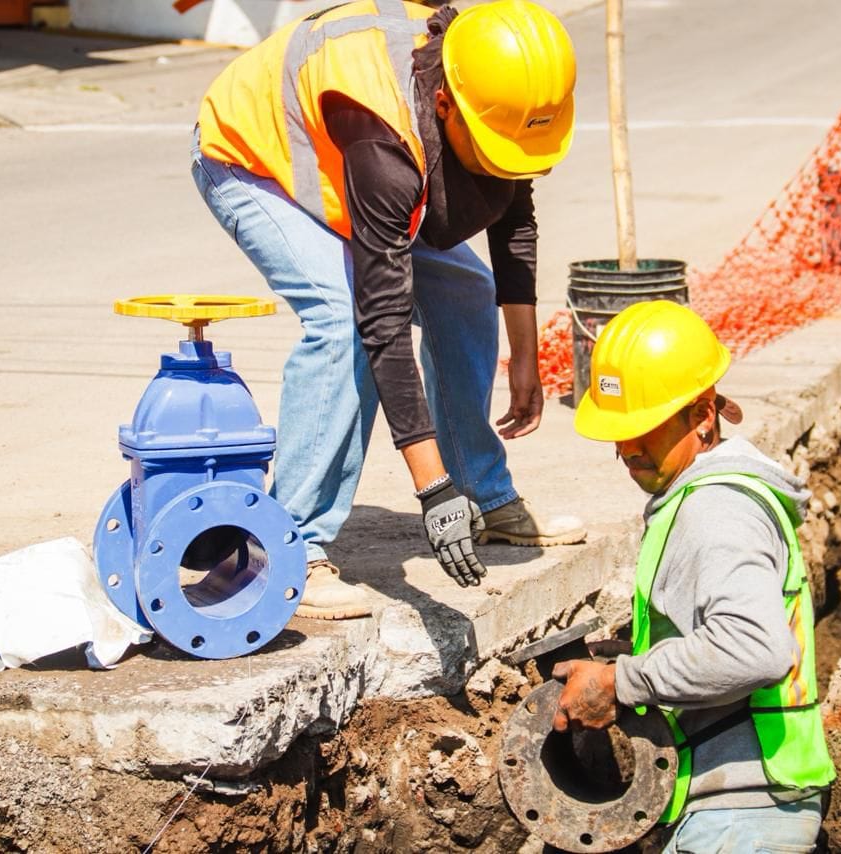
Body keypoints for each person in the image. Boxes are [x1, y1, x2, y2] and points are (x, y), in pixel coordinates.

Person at [191, 0, 586, 620]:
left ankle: (485, 494)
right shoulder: (383, 132)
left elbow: (515, 224)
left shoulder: (500, 87)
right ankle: (288, 549)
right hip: (253, 159)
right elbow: (383, 322)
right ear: (446, 103)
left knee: (464, 291)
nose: (497, 164)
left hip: (356, 166)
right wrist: (431, 490)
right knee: (341, 319)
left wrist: (526, 363)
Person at [551, 300, 836, 852]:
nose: (625, 449)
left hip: (744, 819)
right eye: (618, 431)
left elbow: (755, 648)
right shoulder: (699, 498)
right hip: (743, 812)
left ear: (702, 416)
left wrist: (620, 683)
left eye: (643, 429)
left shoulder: (716, 510)